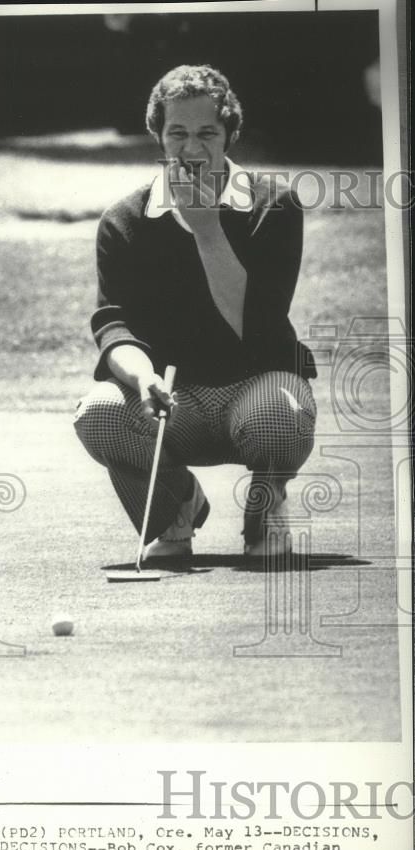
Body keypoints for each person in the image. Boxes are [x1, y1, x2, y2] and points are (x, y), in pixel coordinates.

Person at [74, 64, 317, 561]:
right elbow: (113, 325)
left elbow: (255, 325)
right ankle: (176, 507)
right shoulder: (124, 220)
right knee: (97, 414)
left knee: (280, 419)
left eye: (207, 132)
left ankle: (265, 513)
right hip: (172, 402)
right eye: (177, 133)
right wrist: (143, 380)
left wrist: (207, 230)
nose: (191, 149)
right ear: (158, 137)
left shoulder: (274, 204)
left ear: (230, 134)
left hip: (257, 386)